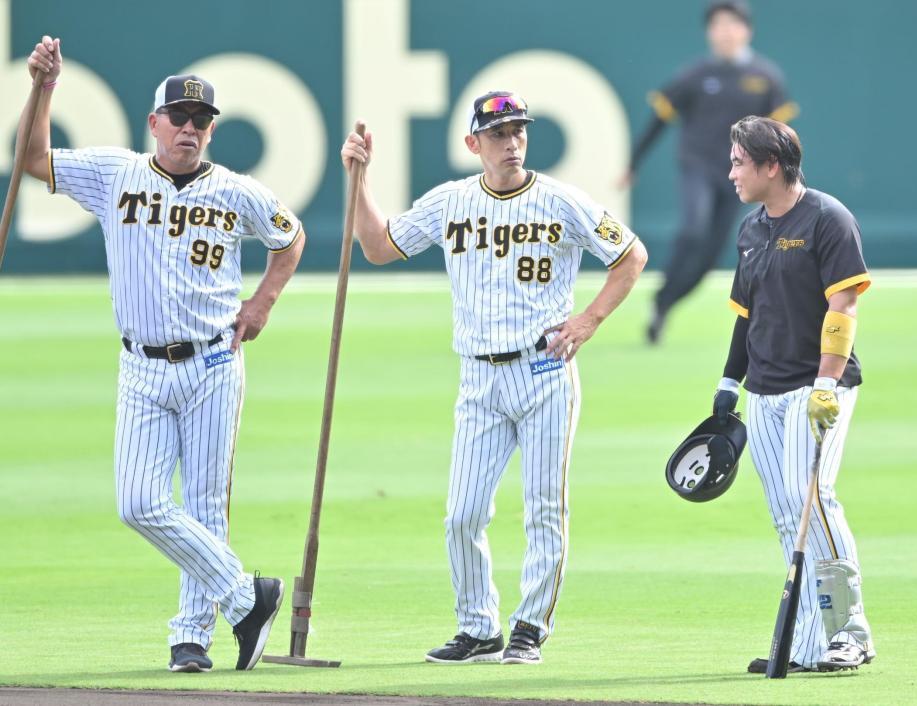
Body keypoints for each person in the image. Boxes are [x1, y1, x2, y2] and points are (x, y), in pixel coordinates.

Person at [22, 36, 302, 672]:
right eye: (179, 117)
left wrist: (262, 304)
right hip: (141, 364)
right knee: (139, 503)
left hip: (211, 361)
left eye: (202, 120)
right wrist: (43, 89)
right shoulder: (116, 173)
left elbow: (289, 237)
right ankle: (246, 598)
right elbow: (34, 158)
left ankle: (191, 638)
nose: (191, 129)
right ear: (155, 122)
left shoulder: (235, 190)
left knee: (204, 503)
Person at [340, 92, 647, 665]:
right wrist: (360, 183)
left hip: (543, 369)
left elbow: (630, 255)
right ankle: (479, 627)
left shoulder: (559, 199)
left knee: (543, 507)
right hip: (479, 378)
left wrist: (590, 318)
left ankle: (530, 626)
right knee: (462, 513)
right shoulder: (452, 201)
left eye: (519, 132)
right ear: (473, 143)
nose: (512, 143)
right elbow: (379, 247)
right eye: (499, 133)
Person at [714, 115, 875, 673]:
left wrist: (827, 383)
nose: (730, 171)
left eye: (738, 162)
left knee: (815, 501)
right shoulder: (751, 229)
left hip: (817, 387)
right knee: (788, 512)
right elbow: (745, 316)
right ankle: (808, 643)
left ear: (771, 166)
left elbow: (844, 305)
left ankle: (850, 634)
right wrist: (728, 385)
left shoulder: (829, 219)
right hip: (763, 392)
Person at [620, 0, 797, 344]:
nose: (725, 32)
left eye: (733, 24)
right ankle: (664, 297)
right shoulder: (695, 75)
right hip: (697, 165)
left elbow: (780, 134)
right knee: (693, 229)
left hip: (742, 176)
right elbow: (659, 120)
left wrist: (785, 177)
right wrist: (632, 164)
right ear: (709, 32)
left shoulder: (766, 77)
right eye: (718, 25)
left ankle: (663, 303)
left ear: (747, 30)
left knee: (711, 255)